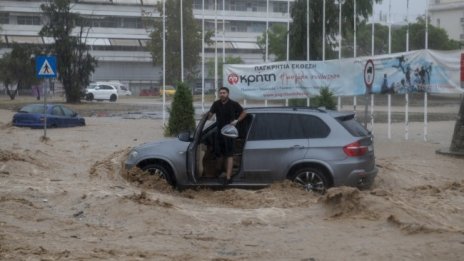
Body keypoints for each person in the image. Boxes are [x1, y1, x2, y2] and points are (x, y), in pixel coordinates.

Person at [208, 87, 247, 185]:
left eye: (224, 93)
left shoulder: (234, 104)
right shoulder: (216, 104)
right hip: (219, 134)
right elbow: (210, 115)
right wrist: (207, 115)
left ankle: (228, 177)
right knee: (219, 155)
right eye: (220, 93)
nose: (222, 94)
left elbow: (244, 112)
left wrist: (237, 120)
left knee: (229, 155)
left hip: (230, 134)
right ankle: (218, 174)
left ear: (228, 94)